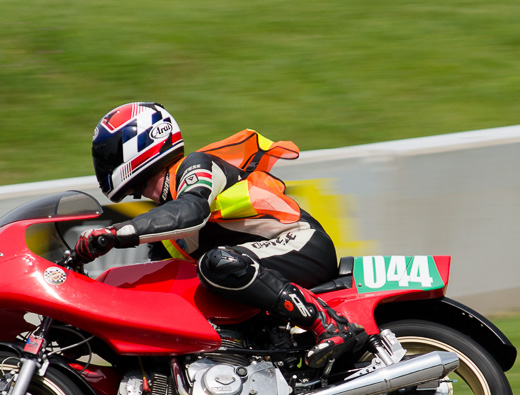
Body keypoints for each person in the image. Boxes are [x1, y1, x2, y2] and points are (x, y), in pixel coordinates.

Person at [77, 102, 363, 368]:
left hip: (301, 242)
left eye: (109, 156)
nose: (105, 165)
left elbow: (192, 210)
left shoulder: (196, 166)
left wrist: (116, 234)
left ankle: (328, 323)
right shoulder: (164, 224)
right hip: (261, 267)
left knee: (216, 263)